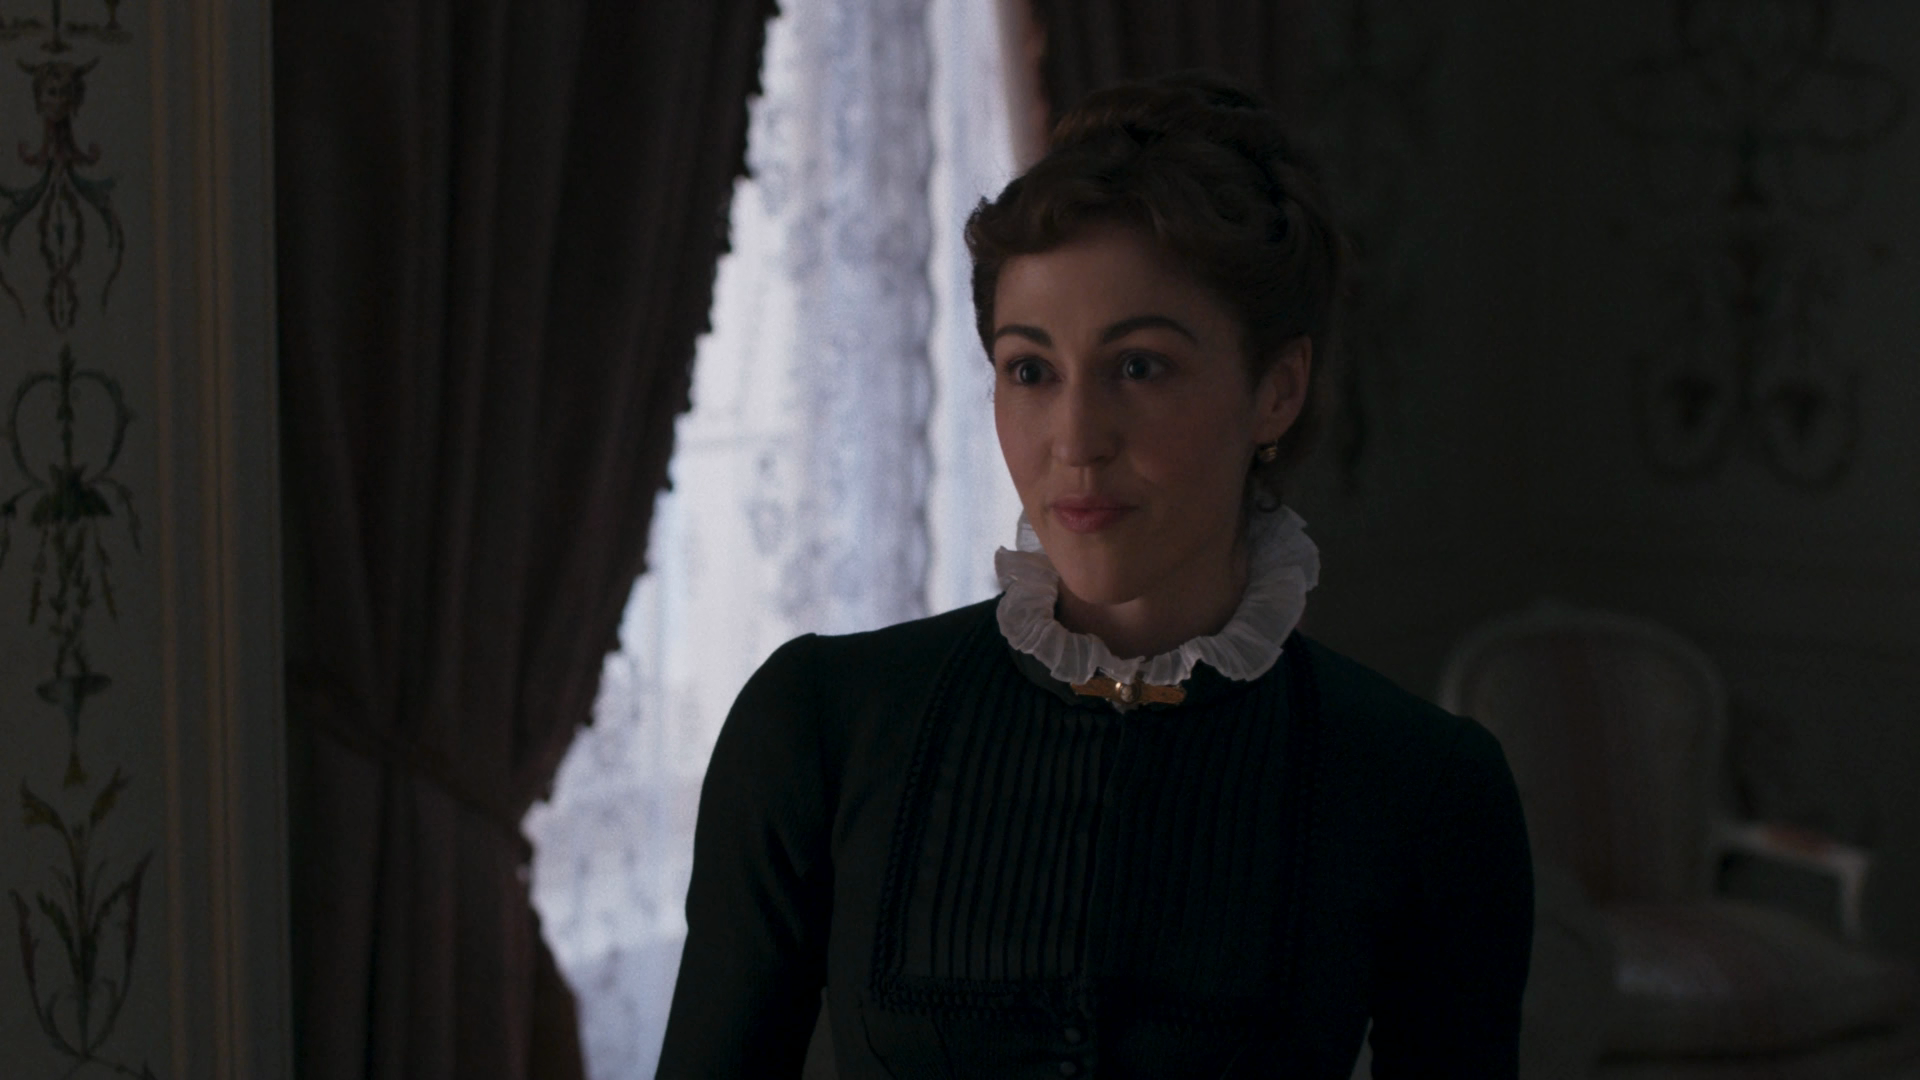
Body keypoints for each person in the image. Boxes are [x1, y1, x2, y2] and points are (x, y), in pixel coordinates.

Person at [657, 71, 1533, 1079]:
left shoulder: (1424, 787)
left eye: (1140, 366)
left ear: (1277, 390)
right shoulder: (819, 725)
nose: (1075, 440)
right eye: (1030, 370)